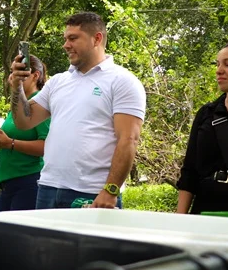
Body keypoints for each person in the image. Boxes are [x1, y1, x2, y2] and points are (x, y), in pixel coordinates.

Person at [8, 12, 146, 209]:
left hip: (92, 193)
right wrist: (17, 86)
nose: (66, 45)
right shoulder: (58, 81)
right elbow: (24, 122)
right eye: (65, 39)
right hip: (48, 187)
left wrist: (110, 190)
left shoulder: (123, 81)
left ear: (97, 38)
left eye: (73, 38)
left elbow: (128, 139)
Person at [176, 41, 228, 215]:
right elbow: (189, 171)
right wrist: (179, 218)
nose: (219, 70)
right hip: (205, 214)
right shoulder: (207, 114)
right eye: (217, 64)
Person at [0, 55, 51, 212]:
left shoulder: (39, 103)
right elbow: (13, 150)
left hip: (29, 181)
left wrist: (9, 143)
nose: (13, 77)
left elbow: (47, 147)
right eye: (12, 72)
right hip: (9, 184)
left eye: (19, 72)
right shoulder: (18, 106)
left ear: (35, 75)